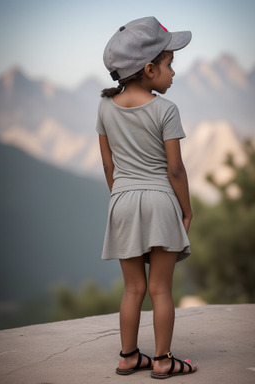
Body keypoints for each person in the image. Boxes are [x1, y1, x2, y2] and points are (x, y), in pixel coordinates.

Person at [96, 16, 197, 379]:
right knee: (161, 290)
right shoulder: (165, 110)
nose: (173, 73)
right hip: (160, 203)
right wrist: (186, 210)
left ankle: (127, 357)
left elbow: (109, 166)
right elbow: (175, 170)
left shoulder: (105, 107)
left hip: (121, 202)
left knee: (133, 288)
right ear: (149, 68)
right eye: (170, 64)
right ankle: (163, 360)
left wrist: (121, 198)